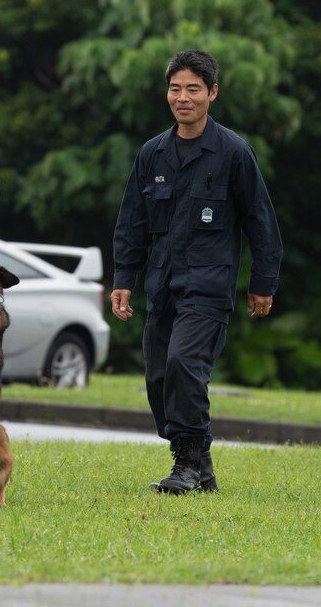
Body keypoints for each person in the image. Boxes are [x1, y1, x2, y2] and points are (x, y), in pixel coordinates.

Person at [110, 50, 283, 494]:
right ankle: (201, 467)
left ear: (212, 93)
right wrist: (123, 279)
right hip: (162, 285)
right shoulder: (153, 153)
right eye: (175, 88)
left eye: (192, 89)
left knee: (184, 363)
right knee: (158, 376)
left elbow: (260, 222)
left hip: (209, 285)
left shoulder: (233, 153)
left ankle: (185, 464)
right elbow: (133, 222)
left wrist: (262, 283)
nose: (182, 97)